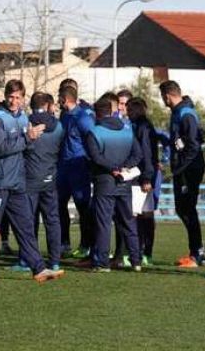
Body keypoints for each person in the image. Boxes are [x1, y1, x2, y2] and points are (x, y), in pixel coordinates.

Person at [0, 80, 63, 283]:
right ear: (5, 96)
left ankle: (38, 269)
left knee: (26, 225)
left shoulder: (23, 118)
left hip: (17, 182)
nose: (14, 101)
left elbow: (24, 147)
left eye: (18, 97)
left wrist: (32, 140)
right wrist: (28, 138)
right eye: (11, 97)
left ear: (23, 98)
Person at [84, 97, 142, 273]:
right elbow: (138, 154)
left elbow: (96, 157)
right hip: (124, 182)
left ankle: (102, 263)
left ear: (98, 113)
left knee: (103, 223)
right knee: (128, 222)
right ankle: (136, 260)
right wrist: (125, 167)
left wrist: (112, 168)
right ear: (113, 111)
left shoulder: (94, 132)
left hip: (105, 181)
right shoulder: (127, 129)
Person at [160, 80, 205, 267]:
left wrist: (181, 166)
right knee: (184, 208)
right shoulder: (179, 112)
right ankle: (197, 250)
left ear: (167, 96)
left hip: (189, 169)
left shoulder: (186, 113)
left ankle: (197, 253)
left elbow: (195, 144)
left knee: (187, 208)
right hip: (184, 168)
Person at [23, 92, 64, 271]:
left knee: (28, 220)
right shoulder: (59, 127)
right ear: (48, 105)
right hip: (50, 178)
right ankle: (54, 260)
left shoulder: (26, 123)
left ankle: (28, 260)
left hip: (29, 178)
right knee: (52, 220)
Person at [56, 84, 95, 259]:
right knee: (59, 205)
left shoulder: (83, 117)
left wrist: (90, 162)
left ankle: (87, 244)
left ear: (64, 99)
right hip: (63, 168)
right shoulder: (64, 117)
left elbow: (92, 140)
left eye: (59, 99)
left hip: (78, 168)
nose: (57, 102)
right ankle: (64, 243)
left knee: (83, 207)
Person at [125, 97, 161, 267]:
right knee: (141, 215)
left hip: (142, 177)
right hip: (142, 175)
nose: (128, 114)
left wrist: (147, 177)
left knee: (142, 215)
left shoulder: (143, 127)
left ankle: (145, 252)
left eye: (130, 110)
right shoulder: (140, 126)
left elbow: (147, 153)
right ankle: (141, 251)